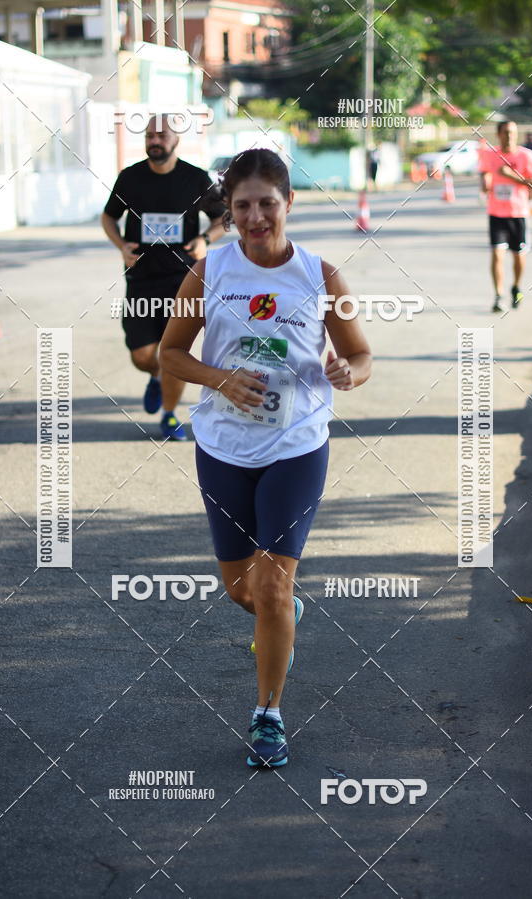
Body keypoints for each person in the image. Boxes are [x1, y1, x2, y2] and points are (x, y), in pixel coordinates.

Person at [159, 148, 372, 768]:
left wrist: (347, 372)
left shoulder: (321, 276)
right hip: (223, 447)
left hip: (296, 445)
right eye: (243, 206)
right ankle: (278, 613)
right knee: (241, 590)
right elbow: (172, 355)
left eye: (267, 204)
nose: (255, 217)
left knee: (274, 589)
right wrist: (220, 379)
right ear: (231, 210)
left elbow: (361, 355)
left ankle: (268, 716)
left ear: (288, 204)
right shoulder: (209, 273)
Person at [102, 115, 225, 439]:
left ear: (175, 140)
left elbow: (223, 219)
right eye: (149, 135)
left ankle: (170, 415)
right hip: (141, 278)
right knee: (143, 355)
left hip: (181, 279)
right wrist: (121, 247)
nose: (154, 140)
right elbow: (108, 217)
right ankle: (156, 375)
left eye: (161, 135)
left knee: (175, 353)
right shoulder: (130, 178)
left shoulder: (196, 179)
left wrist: (204, 240)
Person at [479, 121, 532, 313]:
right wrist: (485, 181)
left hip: (518, 213)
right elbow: (485, 174)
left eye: (513, 132)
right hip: (496, 213)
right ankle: (498, 295)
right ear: (498, 135)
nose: (510, 136)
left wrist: (511, 175)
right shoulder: (490, 155)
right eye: (506, 132)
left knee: (518, 256)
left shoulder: (526, 156)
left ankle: (516, 287)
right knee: (497, 254)